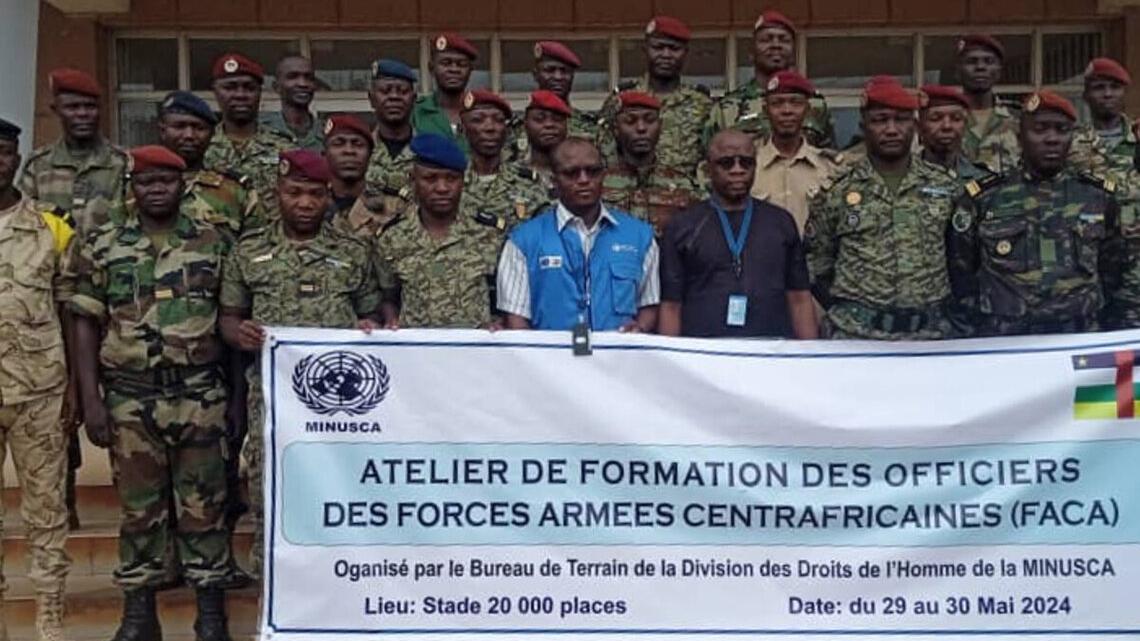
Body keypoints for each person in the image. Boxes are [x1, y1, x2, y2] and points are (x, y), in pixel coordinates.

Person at [71, 146, 237, 641]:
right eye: (147, 182)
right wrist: (90, 399)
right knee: (139, 510)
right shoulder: (102, 243)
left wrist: (235, 402)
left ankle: (211, 616)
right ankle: (139, 615)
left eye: (166, 181)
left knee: (205, 507)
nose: (157, 190)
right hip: (130, 397)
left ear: (182, 185)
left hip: (200, 394)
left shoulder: (213, 241)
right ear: (132, 187)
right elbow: (84, 322)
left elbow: (230, 320)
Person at [219, 150, 380, 580]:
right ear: (278, 193)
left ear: (328, 195)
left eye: (314, 194)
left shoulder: (354, 251)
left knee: (342, 487)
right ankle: (274, 590)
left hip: (342, 406)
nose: (305, 203)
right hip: (273, 401)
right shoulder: (248, 250)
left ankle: (344, 581)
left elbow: (372, 314)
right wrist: (239, 333)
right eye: (294, 192)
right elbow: (229, 318)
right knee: (271, 489)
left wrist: (369, 327)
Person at [19, 67, 128, 532]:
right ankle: (61, 504)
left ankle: (134, 506)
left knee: (118, 399)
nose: (83, 114)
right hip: (53, 303)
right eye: (73, 107)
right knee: (55, 405)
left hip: (111, 302)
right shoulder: (39, 167)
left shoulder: (121, 164)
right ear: (57, 110)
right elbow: (27, 229)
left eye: (90, 106)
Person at [947, 91, 1126, 336]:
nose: (1052, 139)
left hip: (1077, 335)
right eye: (1040, 129)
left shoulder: (1098, 196)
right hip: (1006, 337)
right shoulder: (983, 198)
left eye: (1062, 130)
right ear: (1020, 137)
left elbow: (1112, 268)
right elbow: (961, 273)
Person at [805, 81, 959, 340]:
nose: (891, 129)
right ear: (863, 127)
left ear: (915, 126)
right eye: (880, 120)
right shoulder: (837, 191)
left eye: (901, 120)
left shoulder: (946, 187)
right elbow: (818, 266)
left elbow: (961, 261)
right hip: (856, 335)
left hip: (930, 335)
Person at [0, 117, 75, 641]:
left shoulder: (52, 226)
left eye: (5, 152)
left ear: (18, 158)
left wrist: (77, 389)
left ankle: (50, 617)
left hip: (40, 391)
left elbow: (71, 308)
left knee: (46, 511)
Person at [660, 130, 816, 339]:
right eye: (726, 163)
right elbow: (671, 305)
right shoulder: (683, 225)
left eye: (746, 163)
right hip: (703, 350)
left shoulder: (780, 222)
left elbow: (799, 297)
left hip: (771, 347)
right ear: (708, 169)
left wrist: (809, 352)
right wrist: (671, 357)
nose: (737, 170)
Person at [497, 138, 659, 332]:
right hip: (550, 351)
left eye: (593, 171)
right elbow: (516, 319)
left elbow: (649, 304)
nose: (584, 180)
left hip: (618, 351)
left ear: (603, 175)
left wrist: (639, 329)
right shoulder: (523, 241)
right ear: (554, 181)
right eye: (571, 173)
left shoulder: (640, 236)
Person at [377, 134, 504, 328]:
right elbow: (387, 297)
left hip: (475, 344)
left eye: (451, 179)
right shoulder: (392, 237)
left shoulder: (489, 233)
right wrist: (391, 319)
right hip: (415, 344)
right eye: (430, 179)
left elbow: (504, 299)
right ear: (413, 181)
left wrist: (499, 324)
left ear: (463, 181)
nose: (442, 188)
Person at [597, 16, 713, 175]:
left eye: (674, 49)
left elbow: (713, 156)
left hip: (686, 188)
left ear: (685, 53)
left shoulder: (703, 104)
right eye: (658, 47)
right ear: (645, 50)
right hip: (629, 187)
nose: (666, 55)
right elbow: (603, 150)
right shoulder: (621, 99)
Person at [705, 10, 834, 149]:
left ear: (793, 53)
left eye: (784, 40)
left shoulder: (815, 104)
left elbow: (827, 156)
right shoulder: (726, 108)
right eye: (766, 39)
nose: (776, 45)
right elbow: (710, 156)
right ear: (751, 52)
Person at [158, 91, 261, 236]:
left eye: (199, 128)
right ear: (162, 131)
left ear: (212, 134)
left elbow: (257, 242)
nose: (189, 135)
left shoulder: (236, 190)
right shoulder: (137, 187)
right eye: (179, 126)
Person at [751, 70, 843, 234]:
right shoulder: (748, 167)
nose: (787, 110)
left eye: (795, 103)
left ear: (807, 109)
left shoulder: (830, 168)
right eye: (777, 103)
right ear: (765, 110)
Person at [601, 90, 700, 238]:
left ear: (660, 126)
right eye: (630, 121)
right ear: (616, 128)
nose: (641, 128)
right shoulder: (598, 182)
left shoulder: (683, 184)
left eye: (649, 120)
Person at [203, 53, 292, 218]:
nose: (240, 95)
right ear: (215, 91)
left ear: (260, 93)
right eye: (230, 87)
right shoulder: (201, 146)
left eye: (249, 88)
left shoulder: (285, 147)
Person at [459, 89, 550, 230]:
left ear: (507, 130)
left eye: (498, 120)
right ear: (463, 129)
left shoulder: (528, 182)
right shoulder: (450, 182)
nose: (490, 128)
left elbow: (545, 233)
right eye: (478, 120)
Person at [508, 41, 598, 155]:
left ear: (573, 76)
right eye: (550, 70)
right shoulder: (515, 128)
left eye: (564, 71)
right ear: (535, 75)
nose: (558, 77)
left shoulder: (591, 126)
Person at [957, 35, 1021, 174]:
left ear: (999, 70)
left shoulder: (1019, 118)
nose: (980, 67)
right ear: (959, 70)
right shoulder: (945, 119)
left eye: (989, 61)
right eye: (972, 61)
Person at [361, 58, 418, 206]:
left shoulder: (429, 152)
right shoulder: (358, 151)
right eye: (385, 91)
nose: (394, 97)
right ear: (371, 99)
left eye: (402, 91)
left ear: (414, 99)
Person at [1070, 58, 1136, 175]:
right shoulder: (1070, 142)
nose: (1108, 94)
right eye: (1099, 88)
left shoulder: (1137, 136)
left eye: (1115, 87)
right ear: (1086, 95)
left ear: (1124, 93)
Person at [917, 85, 993, 184]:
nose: (947, 126)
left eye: (956, 118)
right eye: (936, 118)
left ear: (965, 125)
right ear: (919, 126)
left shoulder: (982, 178)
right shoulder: (905, 176)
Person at [412, 33, 478, 144]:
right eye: (446, 63)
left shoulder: (481, 112)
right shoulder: (415, 112)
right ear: (431, 68)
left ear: (471, 70)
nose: (454, 69)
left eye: (461, 64)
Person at [259, 55, 323, 151]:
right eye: (292, 77)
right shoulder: (260, 129)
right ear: (276, 86)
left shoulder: (327, 133)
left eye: (308, 78)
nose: (303, 84)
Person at [515, 90, 571, 189]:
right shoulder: (513, 174)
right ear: (525, 125)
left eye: (557, 119)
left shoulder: (580, 173)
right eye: (539, 119)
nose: (549, 124)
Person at [323, 114, 374, 218]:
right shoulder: (314, 204)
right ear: (325, 154)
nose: (349, 151)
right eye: (338, 143)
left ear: (370, 154)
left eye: (358, 144)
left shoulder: (391, 205)